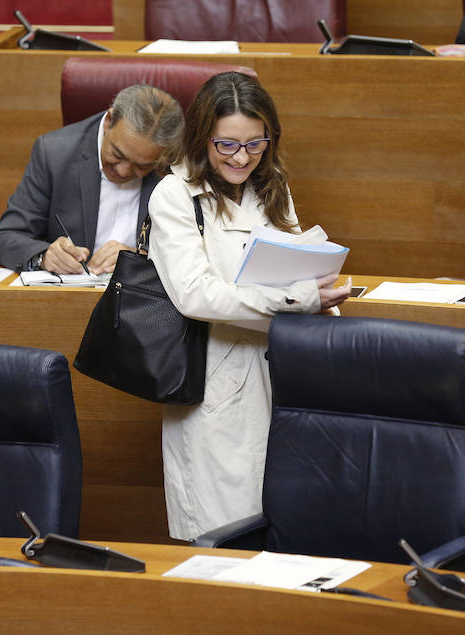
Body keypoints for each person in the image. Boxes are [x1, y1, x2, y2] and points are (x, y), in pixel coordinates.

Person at [147, 71, 354, 541]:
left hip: (282, 371)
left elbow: (293, 266)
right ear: (202, 137)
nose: (242, 157)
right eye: (226, 146)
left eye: (255, 144)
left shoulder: (269, 182)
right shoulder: (174, 195)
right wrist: (302, 299)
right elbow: (196, 295)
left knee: (287, 531)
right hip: (215, 385)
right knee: (225, 539)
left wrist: (316, 296)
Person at [0, 85, 184, 275]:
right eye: (117, 154)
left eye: (142, 166)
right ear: (108, 121)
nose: (123, 172)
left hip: (144, 301)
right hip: (70, 298)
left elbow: (200, 253)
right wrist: (44, 256)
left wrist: (143, 259)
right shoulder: (54, 153)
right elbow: (5, 239)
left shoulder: (177, 165)